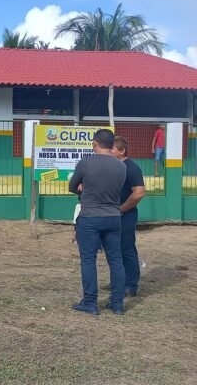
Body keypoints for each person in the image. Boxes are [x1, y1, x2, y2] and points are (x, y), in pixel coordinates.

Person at [68, 129, 127, 315]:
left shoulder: (86, 163)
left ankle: (90, 302)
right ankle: (117, 303)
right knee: (116, 260)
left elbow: (72, 187)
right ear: (112, 144)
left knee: (88, 260)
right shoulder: (121, 166)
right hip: (113, 217)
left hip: (90, 217)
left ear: (95, 143)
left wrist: (83, 190)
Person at [112, 136, 146, 297]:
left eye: (112, 148)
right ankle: (118, 281)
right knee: (114, 250)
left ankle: (131, 284)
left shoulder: (132, 168)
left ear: (121, 151)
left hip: (126, 215)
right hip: (111, 215)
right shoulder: (113, 167)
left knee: (126, 249)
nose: (108, 151)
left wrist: (122, 209)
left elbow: (139, 193)